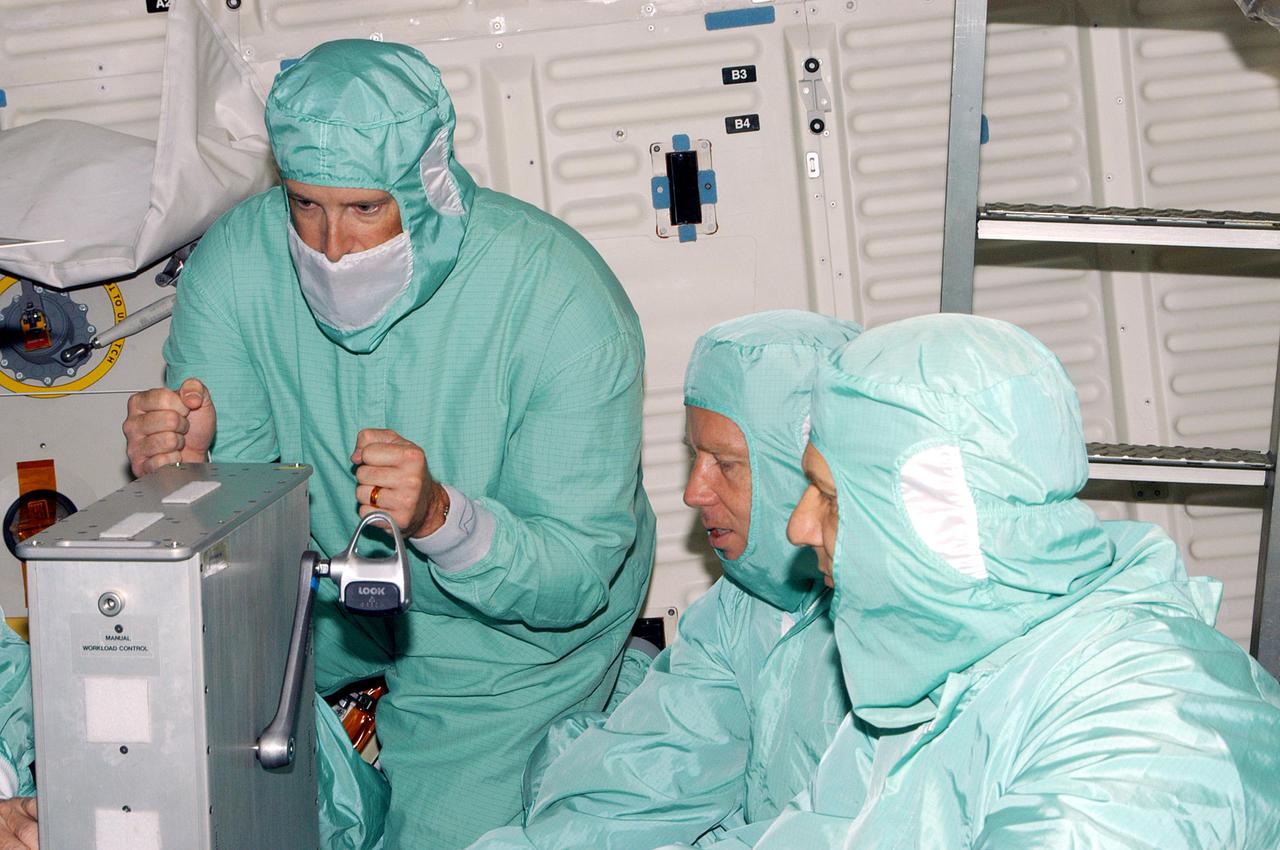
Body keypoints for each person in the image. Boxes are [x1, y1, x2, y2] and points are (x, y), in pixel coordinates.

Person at [92, 38, 649, 850]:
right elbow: (246, 547)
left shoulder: (559, 300)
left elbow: (570, 583)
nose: (331, 246)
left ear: (425, 189)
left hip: (509, 643)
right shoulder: (237, 266)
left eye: (364, 209)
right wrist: (188, 475)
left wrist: (442, 519)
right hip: (328, 601)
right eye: (305, 206)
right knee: (160, 755)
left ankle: (604, 695)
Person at [685, 312, 1280, 849]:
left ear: (933, 518)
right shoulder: (942, 668)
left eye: (831, 497)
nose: (798, 526)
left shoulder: (1153, 733)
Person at [468, 310, 862, 850]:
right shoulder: (740, 609)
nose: (694, 491)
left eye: (725, 463)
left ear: (807, 468)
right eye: (693, 457)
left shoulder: (885, 633)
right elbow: (639, 780)